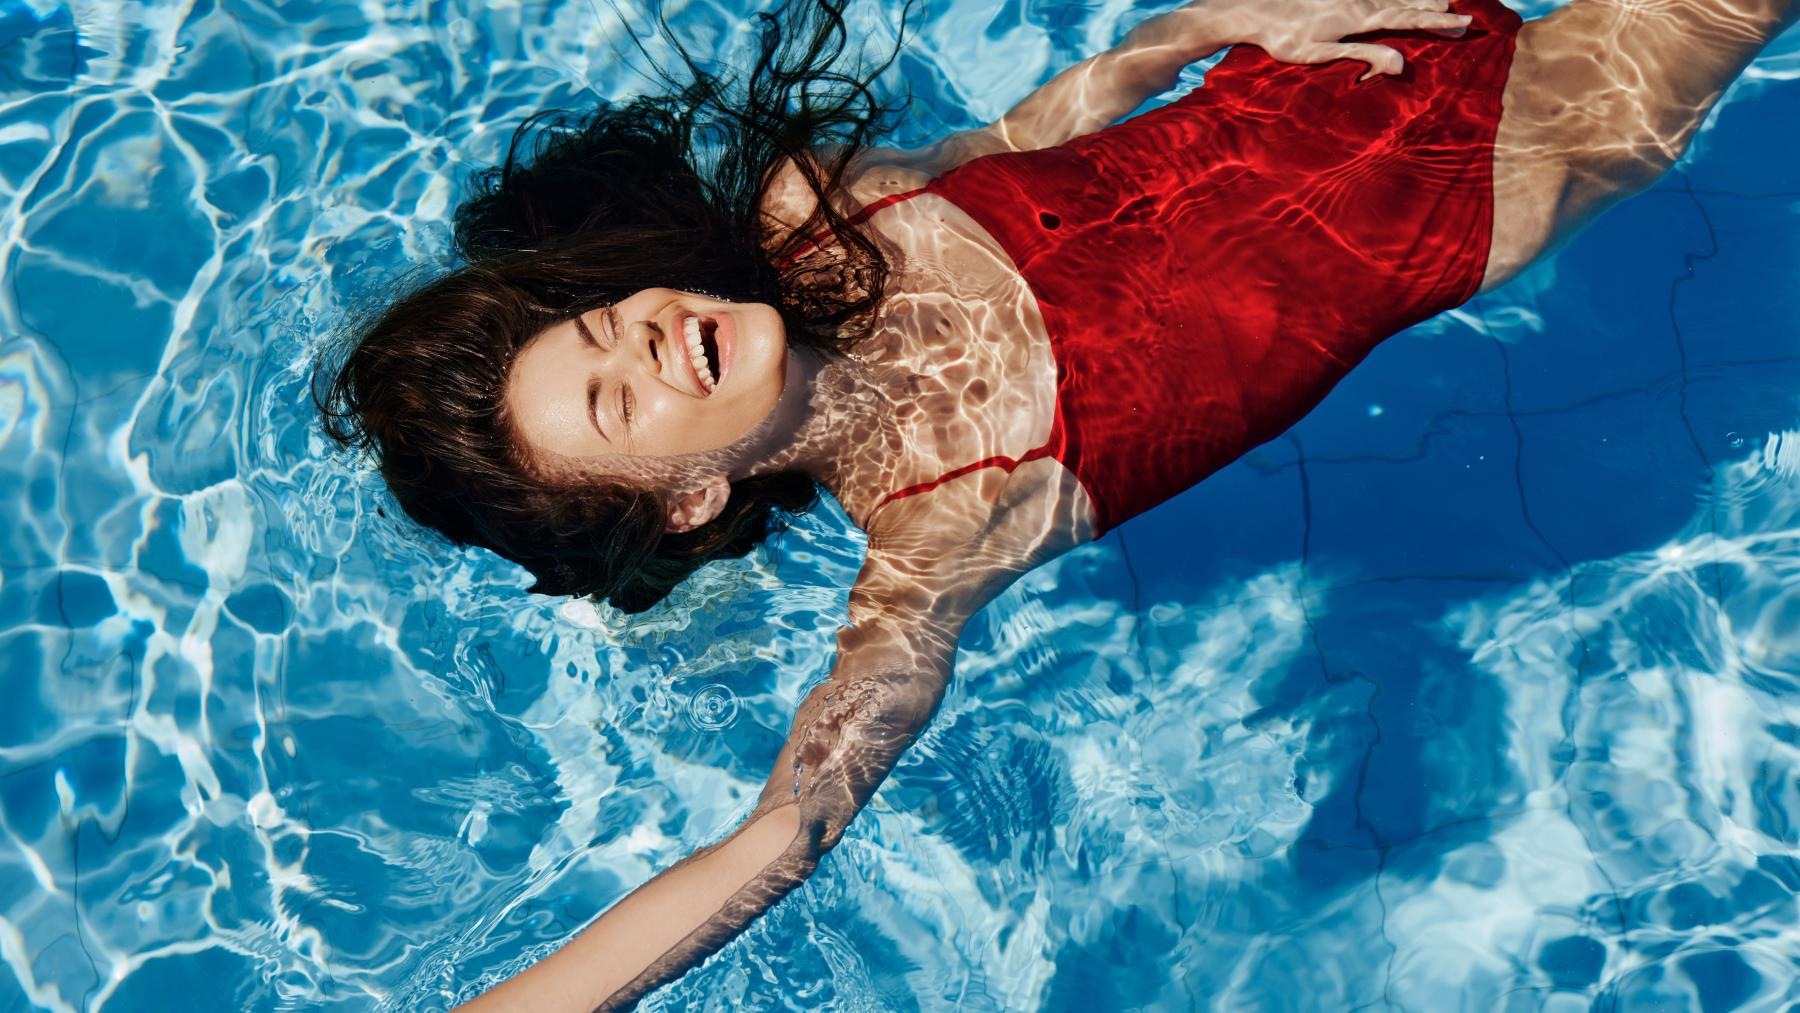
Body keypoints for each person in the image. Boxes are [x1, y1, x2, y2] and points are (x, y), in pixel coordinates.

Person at [317, 0, 1797, 1006]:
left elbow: (1032, 137)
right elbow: (784, 834)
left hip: (1332, 50)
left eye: (600, 326)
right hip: (1495, 172)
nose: (641, 342)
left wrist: (1211, 25)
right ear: (689, 500)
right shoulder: (938, 531)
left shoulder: (815, 211)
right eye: (614, 404)